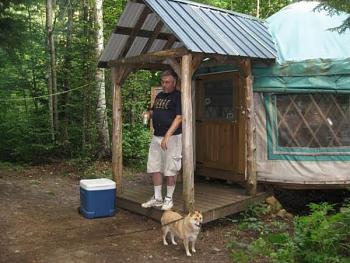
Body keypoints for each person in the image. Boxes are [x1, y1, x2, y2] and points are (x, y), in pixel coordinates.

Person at [141, 70, 182, 210]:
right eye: (163, 82)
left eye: (167, 82)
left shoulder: (178, 96)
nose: (164, 85)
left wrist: (167, 136)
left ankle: (169, 199)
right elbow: (154, 111)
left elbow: (179, 117)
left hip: (173, 138)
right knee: (154, 167)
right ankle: (157, 198)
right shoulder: (159, 96)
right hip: (157, 136)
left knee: (171, 168)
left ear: (174, 82)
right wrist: (148, 113)